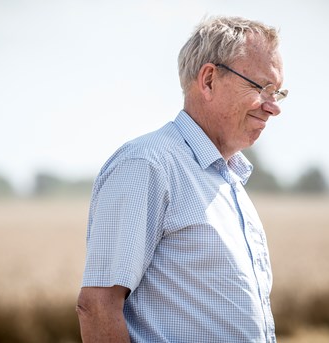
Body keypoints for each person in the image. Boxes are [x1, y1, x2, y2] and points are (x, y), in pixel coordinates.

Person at [76, 15, 287, 343]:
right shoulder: (147, 164)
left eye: (279, 92)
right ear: (209, 80)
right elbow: (98, 307)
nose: (273, 107)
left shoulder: (228, 179)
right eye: (263, 88)